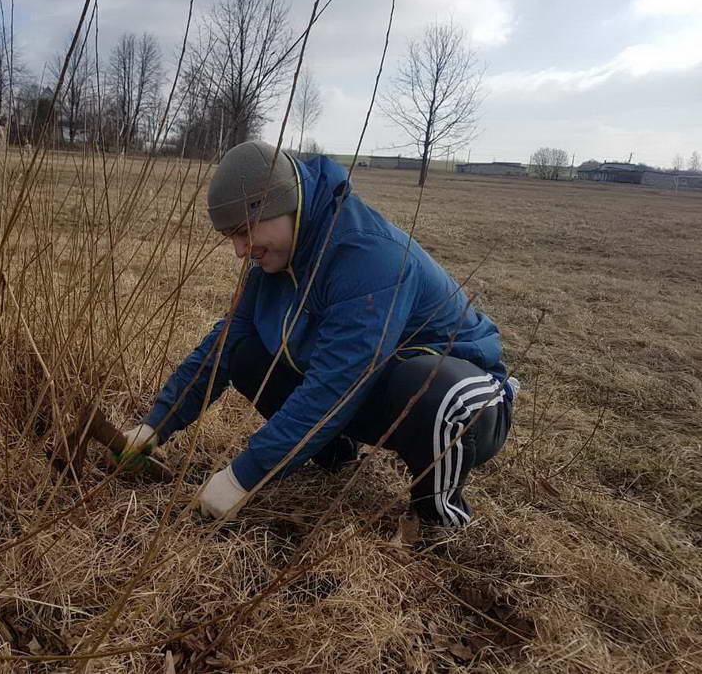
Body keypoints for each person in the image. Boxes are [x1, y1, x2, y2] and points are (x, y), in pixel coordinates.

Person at [122, 140, 518, 528]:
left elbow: (338, 384)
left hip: (466, 405)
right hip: (374, 387)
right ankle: (335, 451)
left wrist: (243, 475)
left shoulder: (367, 257)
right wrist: (156, 426)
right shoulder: (278, 263)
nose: (241, 251)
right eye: (231, 237)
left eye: (245, 231)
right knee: (245, 351)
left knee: (432, 386)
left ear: (283, 206)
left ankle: (438, 518)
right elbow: (221, 348)